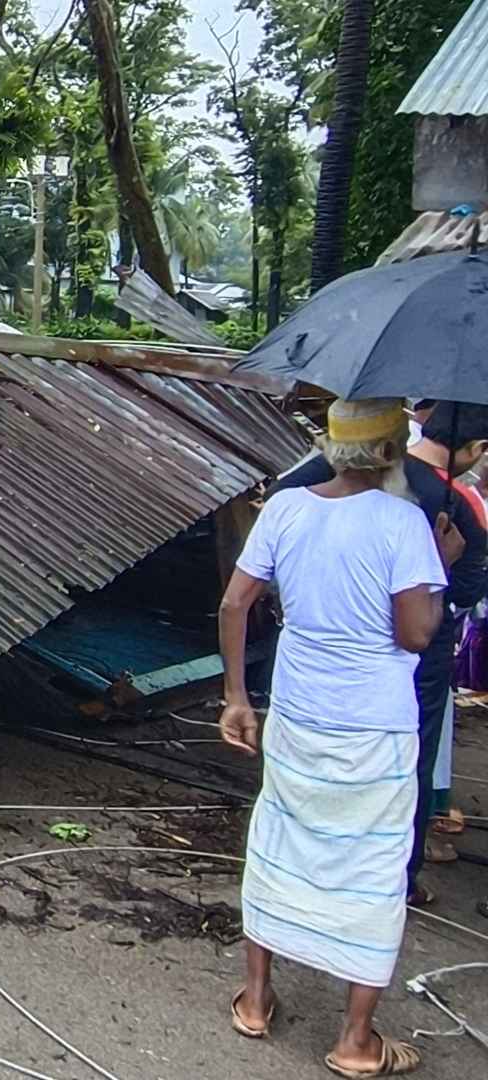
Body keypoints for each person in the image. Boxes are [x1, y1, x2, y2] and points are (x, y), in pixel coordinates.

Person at [220, 397, 464, 1078]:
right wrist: (439, 565)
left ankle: (257, 1000)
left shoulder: (288, 508)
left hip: (297, 710)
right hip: (374, 724)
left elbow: (235, 602)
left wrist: (238, 697)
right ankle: (356, 1039)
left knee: (280, 840)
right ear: (391, 454)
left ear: (332, 447)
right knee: (374, 864)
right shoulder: (405, 522)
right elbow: (414, 633)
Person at [275, 400, 488, 905]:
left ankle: (310, 866)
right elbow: (450, 600)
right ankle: (397, 879)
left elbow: (244, 587)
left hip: (324, 650)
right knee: (406, 767)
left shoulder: (310, 481)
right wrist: (440, 563)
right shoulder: (448, 504)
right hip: (414, 658)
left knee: (321, 758)